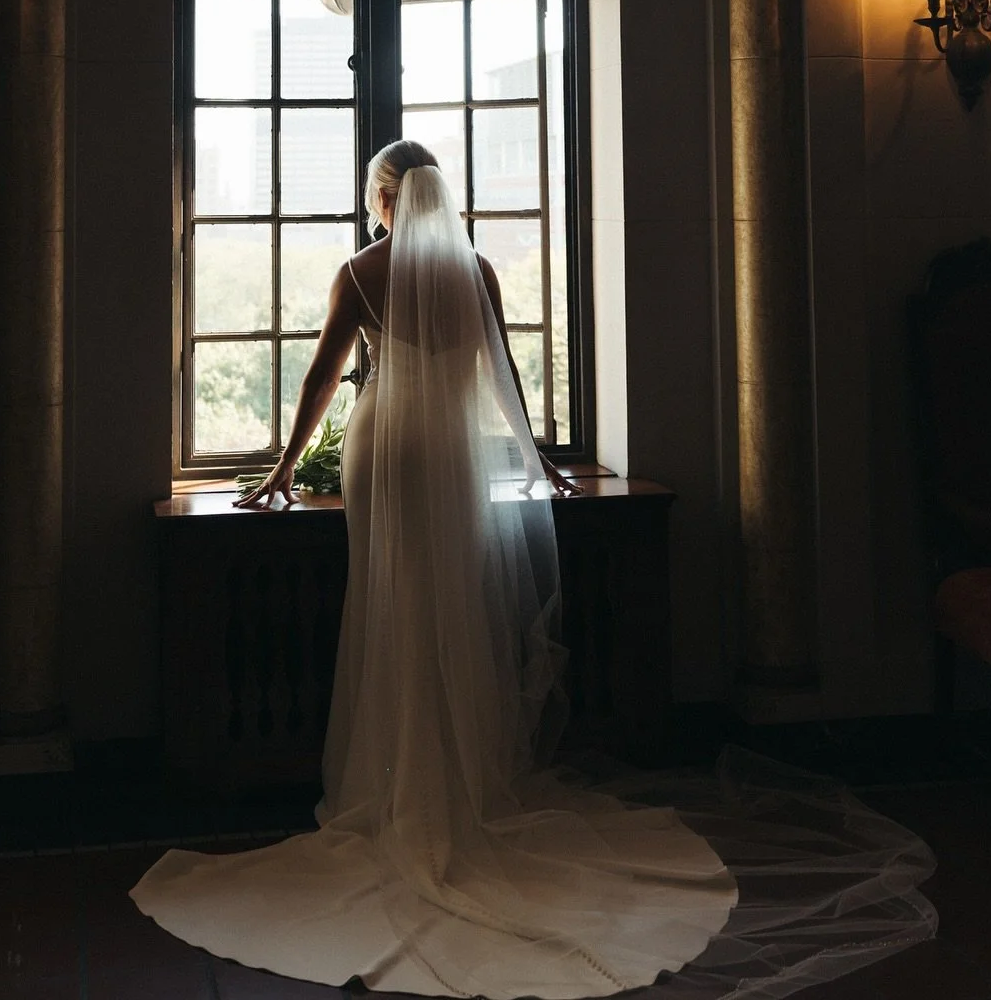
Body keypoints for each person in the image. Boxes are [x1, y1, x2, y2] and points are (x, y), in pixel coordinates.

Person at [132, 141, 936, 999]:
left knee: (393, 608)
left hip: (388, 454)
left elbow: (325, 380)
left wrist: (289, 470)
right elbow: (504, 377)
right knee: (454, 604)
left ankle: (400, 790)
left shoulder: (362, 273)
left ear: (384, 197)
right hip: (451, 459)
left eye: (376, 192)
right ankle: (460, 786)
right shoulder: (475, 271)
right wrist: (538, 462)